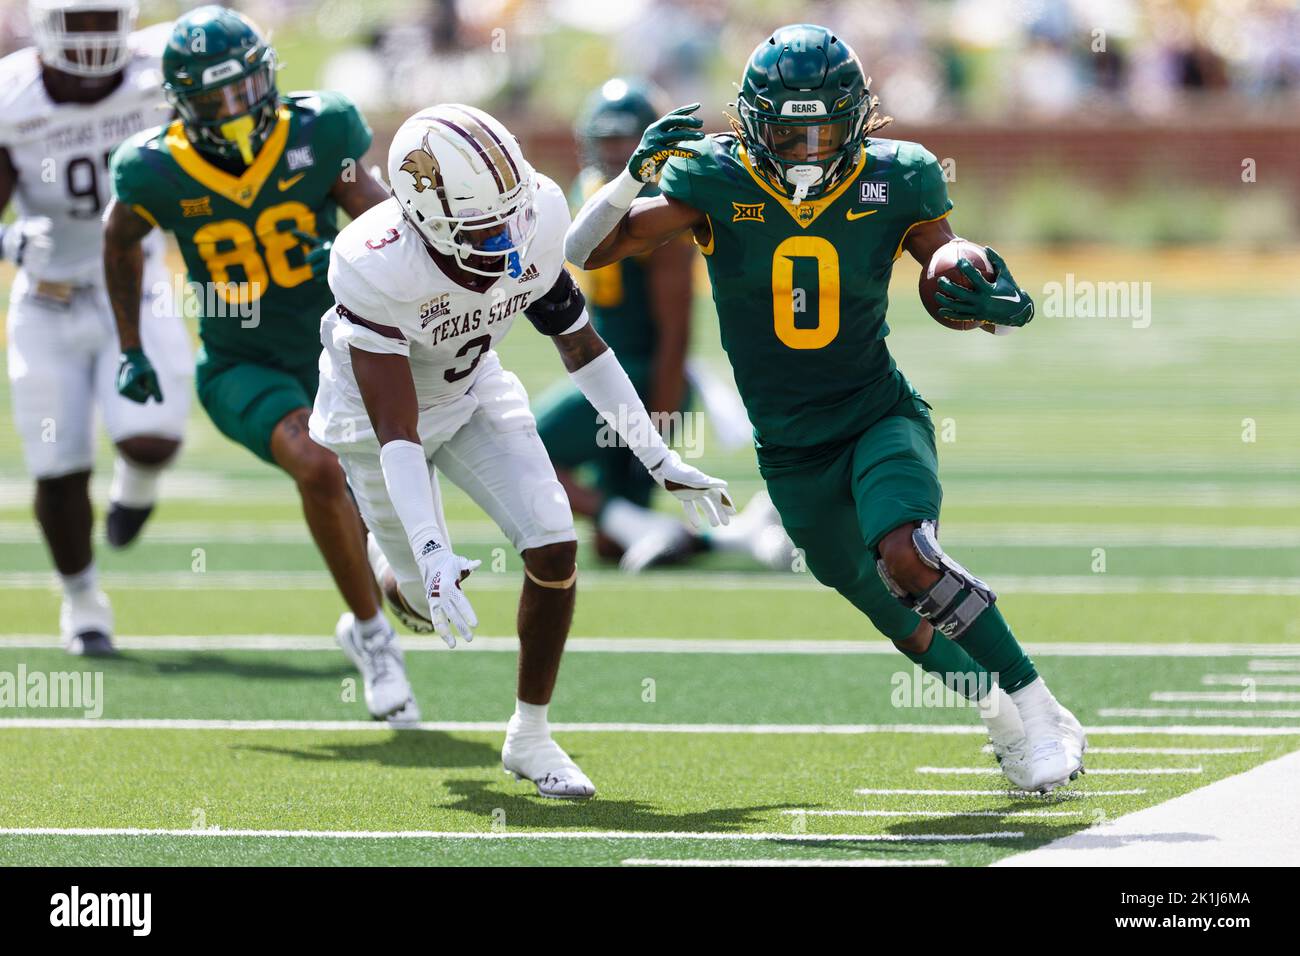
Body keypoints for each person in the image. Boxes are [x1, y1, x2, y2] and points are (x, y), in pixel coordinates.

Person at [564, 24, 1087, 794]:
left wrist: (990, 300)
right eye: (788, 129)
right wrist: (628, 179)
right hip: (789, 448)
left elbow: (950, 268)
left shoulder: (900, 176)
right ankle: (997, 715)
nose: (807, 148)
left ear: (857, 118)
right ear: (751, 122)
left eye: (823, 129)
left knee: (906, 554)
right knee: (886, 604)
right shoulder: (715, 177)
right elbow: (587, 251)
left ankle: (1040, 709)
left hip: (876, 412)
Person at [307, 104, 734, 797]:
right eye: (483, 226)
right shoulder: (373, 264)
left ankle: (530, 736)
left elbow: (582, 347)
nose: (508, 238)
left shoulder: (532, 212)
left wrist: (662, 458)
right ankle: (389, 570)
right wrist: (430, 546)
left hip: (473, 388)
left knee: (555, 541)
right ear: (424, 216)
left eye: (510, 215)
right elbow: (397, 428)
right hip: (377, 426)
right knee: (419, 600)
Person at [103, 6, 412, 721]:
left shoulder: (319, 129)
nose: (236, 109)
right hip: (242, 363)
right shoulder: (152, 166)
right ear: (182, 104)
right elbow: (119, 245)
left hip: (338, 348)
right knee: (318, 466)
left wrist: (366, 256)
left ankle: (387, 582)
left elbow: (380, 223)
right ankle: (373, 638)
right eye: (215, 99)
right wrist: (130, 347)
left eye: (245, 89)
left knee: (382, 481)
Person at [536, 76, 793, 573]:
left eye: (623, 140)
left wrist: (663, 405)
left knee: (522, 451)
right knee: (611, 545)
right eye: (605, 138)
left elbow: (676, 324)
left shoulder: (657, 209)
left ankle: (640, 524)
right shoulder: (591, 191)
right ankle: (740, 536)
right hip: (612, 374)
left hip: (641, 378)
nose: (612, 150)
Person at [1, 0, 191, 656]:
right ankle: (83, 602)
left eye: (102, 18)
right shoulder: (12, 94)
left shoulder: (159, 73)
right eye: (77, 20)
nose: (91, 35)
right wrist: (7, 239)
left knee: (152, 439)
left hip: (134, 284)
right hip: (47, 300)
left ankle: (135, 487)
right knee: (58, 468)